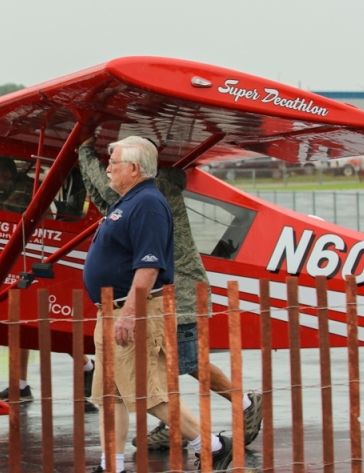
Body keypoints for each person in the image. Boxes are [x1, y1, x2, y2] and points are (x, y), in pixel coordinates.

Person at [78, 133, 263, 450]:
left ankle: (243, 403)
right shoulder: (135, 194)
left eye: (115, 163)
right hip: (162, 290)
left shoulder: (150, 194)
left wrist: (82, 149)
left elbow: (100, 185)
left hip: (179, 290)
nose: (110, 169)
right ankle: (172, 428)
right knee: (161, 362)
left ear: (136, 166)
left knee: (181, 361)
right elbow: (101, 193)